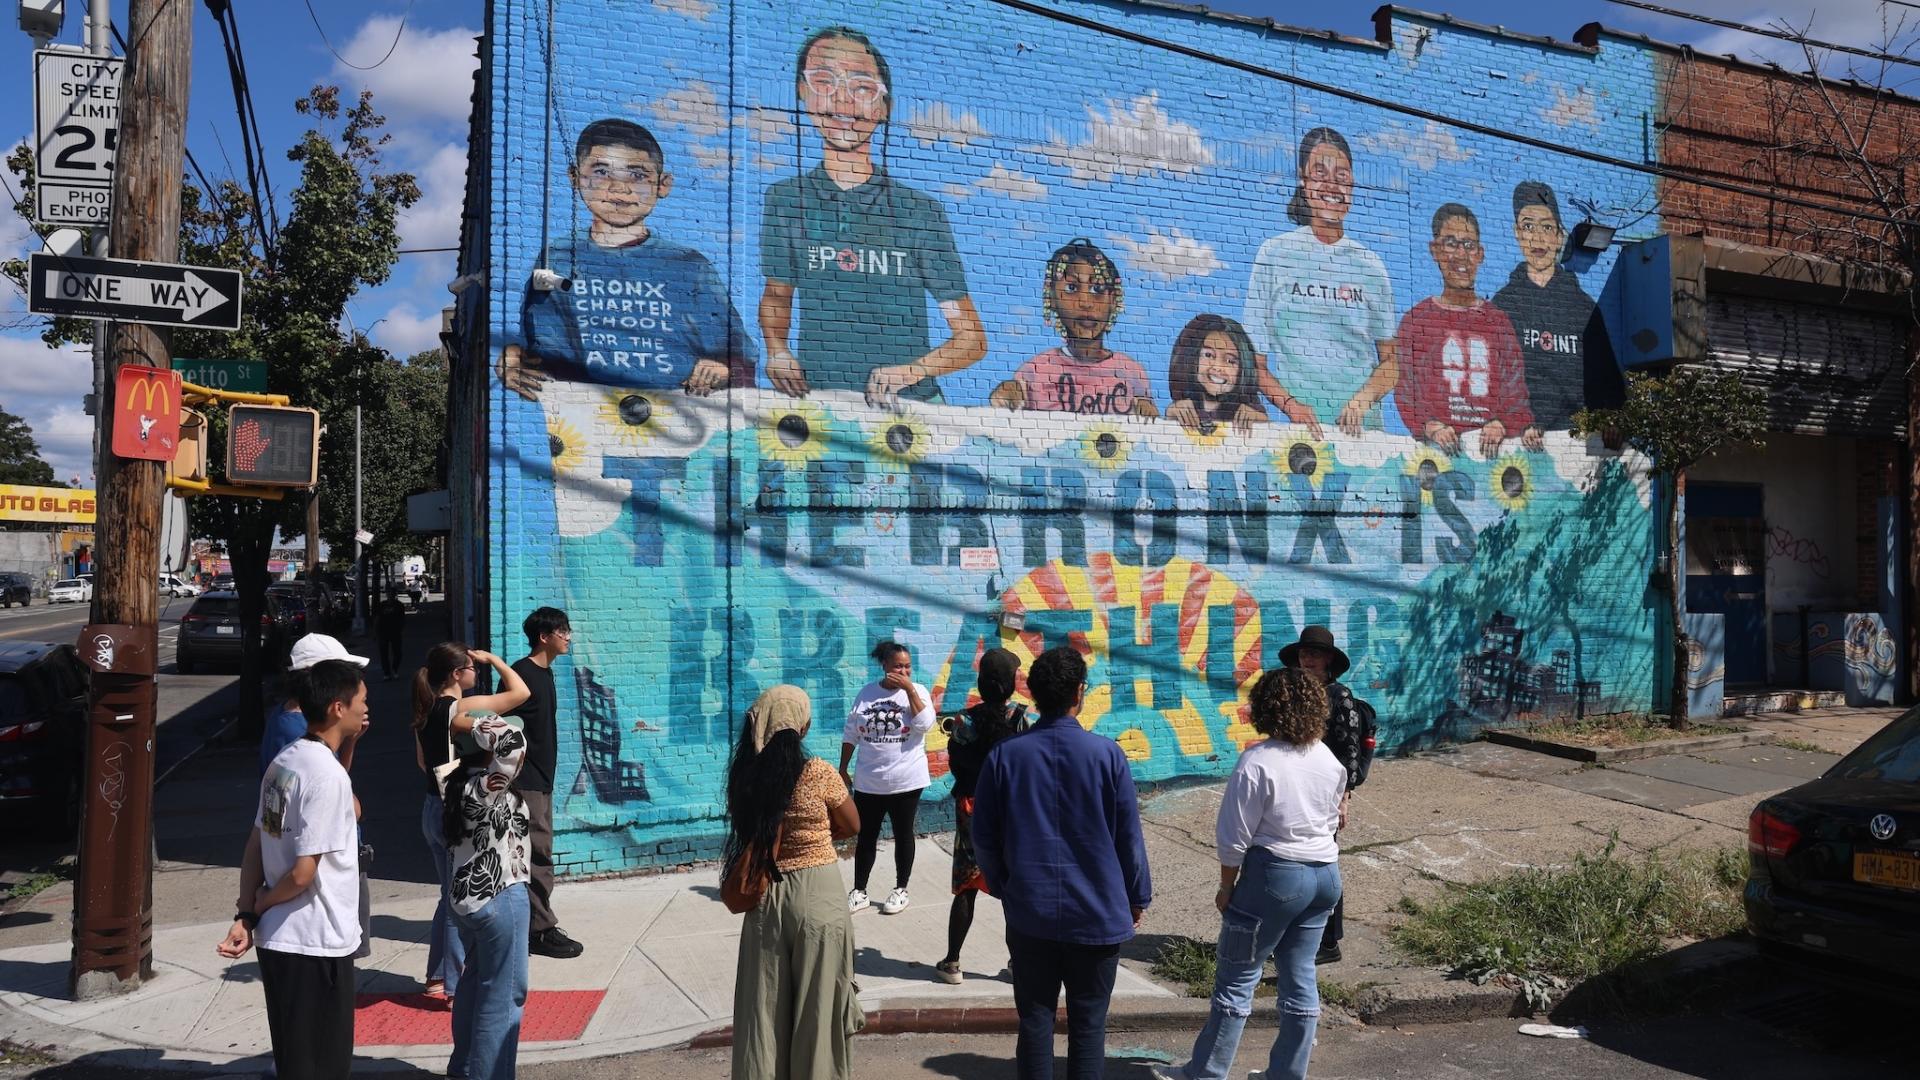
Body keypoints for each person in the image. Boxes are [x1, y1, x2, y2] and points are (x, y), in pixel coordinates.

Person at [759, 25, 986, 407]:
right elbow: (778, 296)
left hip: (911, 414)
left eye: (862, 88)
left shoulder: (920, 212)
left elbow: (971, 339)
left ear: (884, 108)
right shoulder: (785, 200)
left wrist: (910, 371)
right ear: (802, 92)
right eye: (824, 82)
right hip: (821, 411)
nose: (843, 103)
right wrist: (777, 351)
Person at [1152, 668, 1346, 1080]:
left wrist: (1227, 886)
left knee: (1238, 977)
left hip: (1275, 876)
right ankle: (1288, 1074)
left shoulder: (1258, 761)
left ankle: (1207, 1072)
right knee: (1300, 974)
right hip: (1325, 876)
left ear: (1266, 708)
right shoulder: (1327, 758)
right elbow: (1333, 819)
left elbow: (1233, 837)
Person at [973, 645, 1152, 1080]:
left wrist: (1003, 885)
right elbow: (1128, 836)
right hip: (1097, 912)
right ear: (1079, 692)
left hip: (1030, 912)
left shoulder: (1005, 757)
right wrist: (1137, 896)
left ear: (1034, 694)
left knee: (1035, 1021)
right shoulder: (1107, 755)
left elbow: (984, 836)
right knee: (1089, 1028)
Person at [500, 118, 755, 400]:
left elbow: (740, 356)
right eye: (601, 172)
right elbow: (546, 350)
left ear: (663, 184)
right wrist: (516, 356)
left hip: (686, 422)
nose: (619, 189)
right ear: (575, 177)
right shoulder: (556, 260)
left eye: (637, 175)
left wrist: (723, 369)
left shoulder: (689, 266)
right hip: (586, 423)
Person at [216, 659, 370, 1080]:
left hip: (281, 940)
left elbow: (255, 844)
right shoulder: (324, 776)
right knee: (323, 1064)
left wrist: (247, 914)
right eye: (362, 700)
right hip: (315, 941)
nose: (366, 709)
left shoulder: (287, 761)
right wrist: (261, 901)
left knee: (295, 1058)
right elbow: (304, 873)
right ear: (338, 707)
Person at [726, 685, 865, 1079]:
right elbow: (852, 824)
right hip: (820, 894)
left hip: (766, 894)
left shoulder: (745, 779)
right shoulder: (819, 771)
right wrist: (819, 836)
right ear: (802, 726)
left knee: (764, 1010)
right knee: (819, 1009)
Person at [1244, 126, 1396, 437]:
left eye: (1342, 175)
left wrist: (1362, 401)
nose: (1332, 185)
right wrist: (1291, 407)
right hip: (1294, 435)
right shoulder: (1274, 254)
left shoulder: (1370, 265)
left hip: (1364, 437)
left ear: (1352, 183)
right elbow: (1254, 363)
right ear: (1303, 179)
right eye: (1320, 172)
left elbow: (1391, 362)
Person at [414, 643, 531, 999]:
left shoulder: (426, 709)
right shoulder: (458, 708)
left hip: (431, 807)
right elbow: (520, 693)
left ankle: (438, 977)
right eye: (471, 667)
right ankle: (451, 984)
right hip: (455, 810)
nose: (475, 672)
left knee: (446, 897)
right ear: (456, 674)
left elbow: (423, 763)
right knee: (457, 900)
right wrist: (495, 659)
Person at [1393, 202, 1539, 458]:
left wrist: (1503, 423)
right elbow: (1407, 391)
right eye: (1450, 243)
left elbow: (1516, 392)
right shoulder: (1416, 321)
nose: (1461, 255)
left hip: (1495, 461)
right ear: (1434, 250)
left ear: (1480, 254)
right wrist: (1431, 425)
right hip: (1435, 460)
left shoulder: (1498, 323)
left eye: (1469, 245)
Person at [1278, 626, 1377, 965]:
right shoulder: (1294, 692)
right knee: (1296, 862)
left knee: (1322, 865)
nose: (1308, 659)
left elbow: (1349, 752)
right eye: (1304, 653)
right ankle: (1301, 934)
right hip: (1295, 789)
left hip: (1325, 793)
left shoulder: (1340, 697)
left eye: (1315, 654)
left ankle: (1328, 942)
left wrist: (1344, 797)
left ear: (1329, 659)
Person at [445, 709, 535, 1080]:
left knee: (474, 984)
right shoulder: (484, 790)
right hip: (501, 896)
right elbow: (514, 745)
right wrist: (473, 724)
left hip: (468, 901)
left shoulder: (454, 783)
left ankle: (463, 1068)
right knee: (503, 998)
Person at [1490, 180, 1620, 433]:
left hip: (1577, 441)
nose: (1537, 237)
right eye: (1528, 226)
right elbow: (1491, 381)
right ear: (1516, 233)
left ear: (1559, 236)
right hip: (1517, 442)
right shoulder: (1502, 305)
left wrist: (1609, 419)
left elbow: (1608, 381)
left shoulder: (1585, 309)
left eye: (1546, 227)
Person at [934, 647, 1028, 985]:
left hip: (972, 806)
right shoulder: (1019, 718)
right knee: (1010, 886)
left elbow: (956, 762)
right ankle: (1018, 964)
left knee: (967, 884)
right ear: (1009, 686)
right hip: (1009, 809)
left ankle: (953, 963)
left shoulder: (963, 722)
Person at [991, 239, 1157, 417]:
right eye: (1071, 287)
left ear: (1113, 301)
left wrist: (1147, 411)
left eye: (1098, 288)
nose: (1085, 303)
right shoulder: (1036, 371)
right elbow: (1010, 401)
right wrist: (1010, 392)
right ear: (1052, 298)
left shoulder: (1130, 372)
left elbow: (1147, 428)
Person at [507, 607, 584, 959]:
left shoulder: (546, 674)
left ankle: (532, 924)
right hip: (526, 780)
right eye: (562, 631)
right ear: (545, 636)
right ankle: (539, 930)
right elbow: (503, 729)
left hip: (542, 778)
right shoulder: (520, 675)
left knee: (538, 851)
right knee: (538, 853)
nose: (568, 637)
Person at [840, 640, 935, 915]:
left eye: (907, 666)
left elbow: (925, 724)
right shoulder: (867, 693)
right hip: (870, 780)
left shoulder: (918, 692)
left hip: (907, 780)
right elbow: (851, 733)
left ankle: (901, 888)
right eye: (898, 666)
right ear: (885, 667)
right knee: (866, 836)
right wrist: (843, 768)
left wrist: (909, 691)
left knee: (903, 833)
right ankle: (859, 891)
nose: (903, 671)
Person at [260, 634, 370, 777]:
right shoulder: (301, 734)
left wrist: (350, 740)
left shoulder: (285, 713)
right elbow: (330, 782)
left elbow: (334, 777)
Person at [1166, 314, 1267, 436]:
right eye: (1208, 355)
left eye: (1230, 361)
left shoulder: (1249, 409)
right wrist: (1171, 415)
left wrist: (1260, 422)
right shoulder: (1185, 406)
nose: (1218, 367)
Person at [374, 590, 407, 682]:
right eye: (389, 594)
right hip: (383, 632)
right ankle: (386, 673)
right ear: (387, 595)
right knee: (383, 653)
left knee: (397, 653)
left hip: (395, 632)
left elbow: (402, 619)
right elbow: (377, 618)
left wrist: (402, 629)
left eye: (392, 594)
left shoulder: (399, 605)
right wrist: (375, 632)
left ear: (395, 595)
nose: (390, 596)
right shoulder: (382, 605)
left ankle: (395, 669)